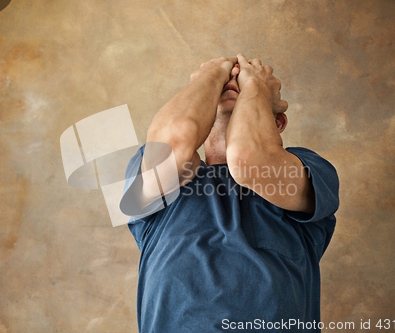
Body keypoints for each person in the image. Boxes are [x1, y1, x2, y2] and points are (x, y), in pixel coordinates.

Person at [120, 54, 339, 332]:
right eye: (226, 80)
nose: (233, 80)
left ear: (279, 123)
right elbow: (176, 139)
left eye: (242, 82)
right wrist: (210, 75)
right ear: (204, 110)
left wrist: (257, 85)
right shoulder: (156, 175)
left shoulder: (311, 170)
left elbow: (249, 158)